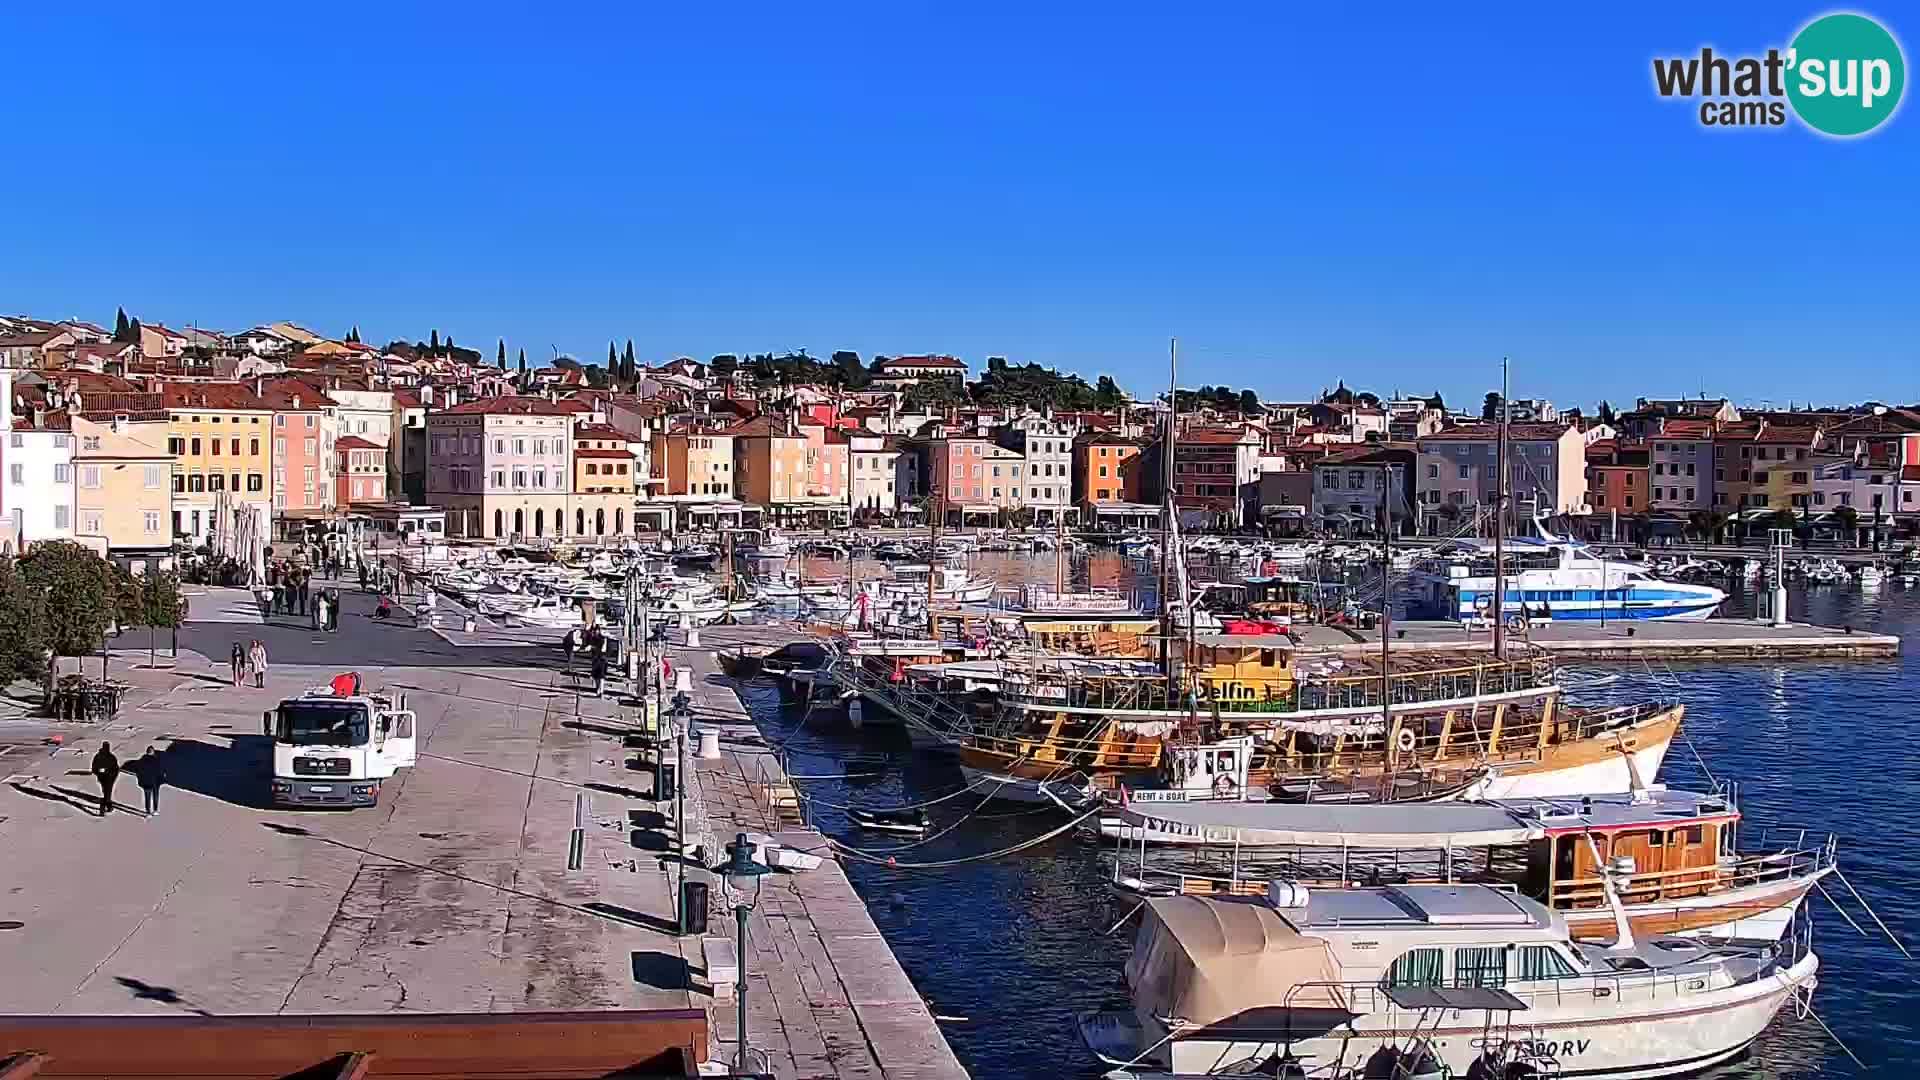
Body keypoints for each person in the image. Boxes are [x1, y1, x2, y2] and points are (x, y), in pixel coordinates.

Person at [134, 747, 166, 817]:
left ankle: (148, 811)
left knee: (147, 797)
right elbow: (161, 771)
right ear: (153, 752)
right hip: (155, 782)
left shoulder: (142, 760)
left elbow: (137, 771)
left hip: (146, 781)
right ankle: (155, 810)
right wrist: (162, 779)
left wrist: (140, 779)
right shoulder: (156, 760)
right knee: (155, 796)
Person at [91, 742, 119, 816]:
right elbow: (116, 769)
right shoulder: (111, 757)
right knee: (107, 793)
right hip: (108, 778)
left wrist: (99, 773)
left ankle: (108, 806)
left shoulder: (98, 756)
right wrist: (112, 776)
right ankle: (105, 808)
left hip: (104, 778)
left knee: (106, 792)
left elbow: (94, 768)